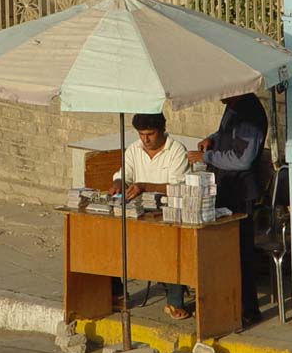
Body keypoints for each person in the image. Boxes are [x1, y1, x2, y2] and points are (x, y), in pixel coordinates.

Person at [188, 93, 268, 327]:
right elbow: (226, 135)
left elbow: (242, 159)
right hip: (225, 187)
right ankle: (225, 303)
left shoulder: (249, 112)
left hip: (240, 193)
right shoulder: (233, 107)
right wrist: (211, 139)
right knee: (223, 251)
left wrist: (207, 155)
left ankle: (247, 309)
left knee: (239, 252)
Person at [108, 113, 190, 319]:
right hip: (139, 213)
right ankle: (118, 293)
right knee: (109, 239)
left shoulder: (176, 150)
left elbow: (177, 186)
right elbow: (123, 174)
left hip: (168, 213)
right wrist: (119, 184)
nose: (145, 140)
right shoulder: (134, 149)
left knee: (170, 245)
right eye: (142, 134)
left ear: (161, 130)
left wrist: (145, 186)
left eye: (150, 134)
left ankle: (175, 300)